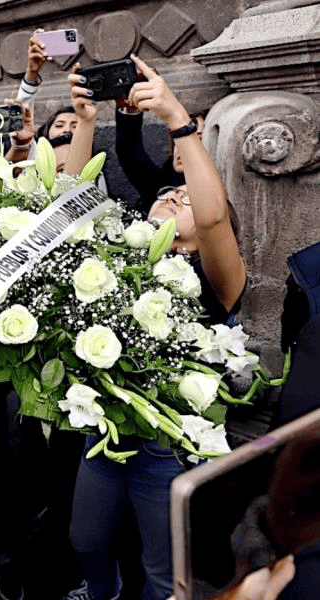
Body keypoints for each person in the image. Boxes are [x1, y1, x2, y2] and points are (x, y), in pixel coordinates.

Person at [61, 55, 247, 600]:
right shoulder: (120, 259)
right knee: (85, 541)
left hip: (165, 447)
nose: (173, 193)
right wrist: (87, 123)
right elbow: (61, 207)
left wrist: (175, 118)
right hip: (104, 431)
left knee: (164, 573)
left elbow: (213, 218)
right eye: (170, 191)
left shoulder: (218, 278)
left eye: (186, 198)